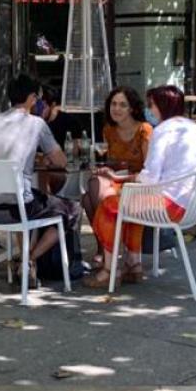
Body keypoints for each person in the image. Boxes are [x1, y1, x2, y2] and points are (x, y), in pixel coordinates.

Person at [85, 85, 196, 289]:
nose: (149, 110)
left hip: (170, 205)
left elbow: (149, 178)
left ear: (162, 106)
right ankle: (133, 264)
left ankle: (108, 271)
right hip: (195, 203)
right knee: (129, 202)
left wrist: (118, 178)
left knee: (109, 205)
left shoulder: (162, 131)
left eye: (152, 105)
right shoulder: (192, 128)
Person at [0, 75, 81, 286]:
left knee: (29, 198)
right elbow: (61, 160)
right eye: (36, 97)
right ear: (30, 98)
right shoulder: (36, 124)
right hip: (16, 208)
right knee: (71, 210)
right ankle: (28, 260)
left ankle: (28, 264)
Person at [82, 87, 152, 277]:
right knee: (89, 193)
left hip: (137, 183)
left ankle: (108, 254)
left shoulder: (144, 130)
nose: (116, 109)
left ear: (132, 108)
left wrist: (115, 175)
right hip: (118, 178)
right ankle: (108, 250)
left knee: (97, 195)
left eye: (122, 105)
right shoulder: (109, 130)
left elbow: (148, 170)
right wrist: (106, 168)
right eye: (113, 104)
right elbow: (112, 161)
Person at [33, 86, 80, 195]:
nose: (38, 111)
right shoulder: (34, 122)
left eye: (42, 107)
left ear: (53, 105)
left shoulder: (69, 122)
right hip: (38, 171)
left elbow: (75, 149)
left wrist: (53, 159)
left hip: (64, 171)